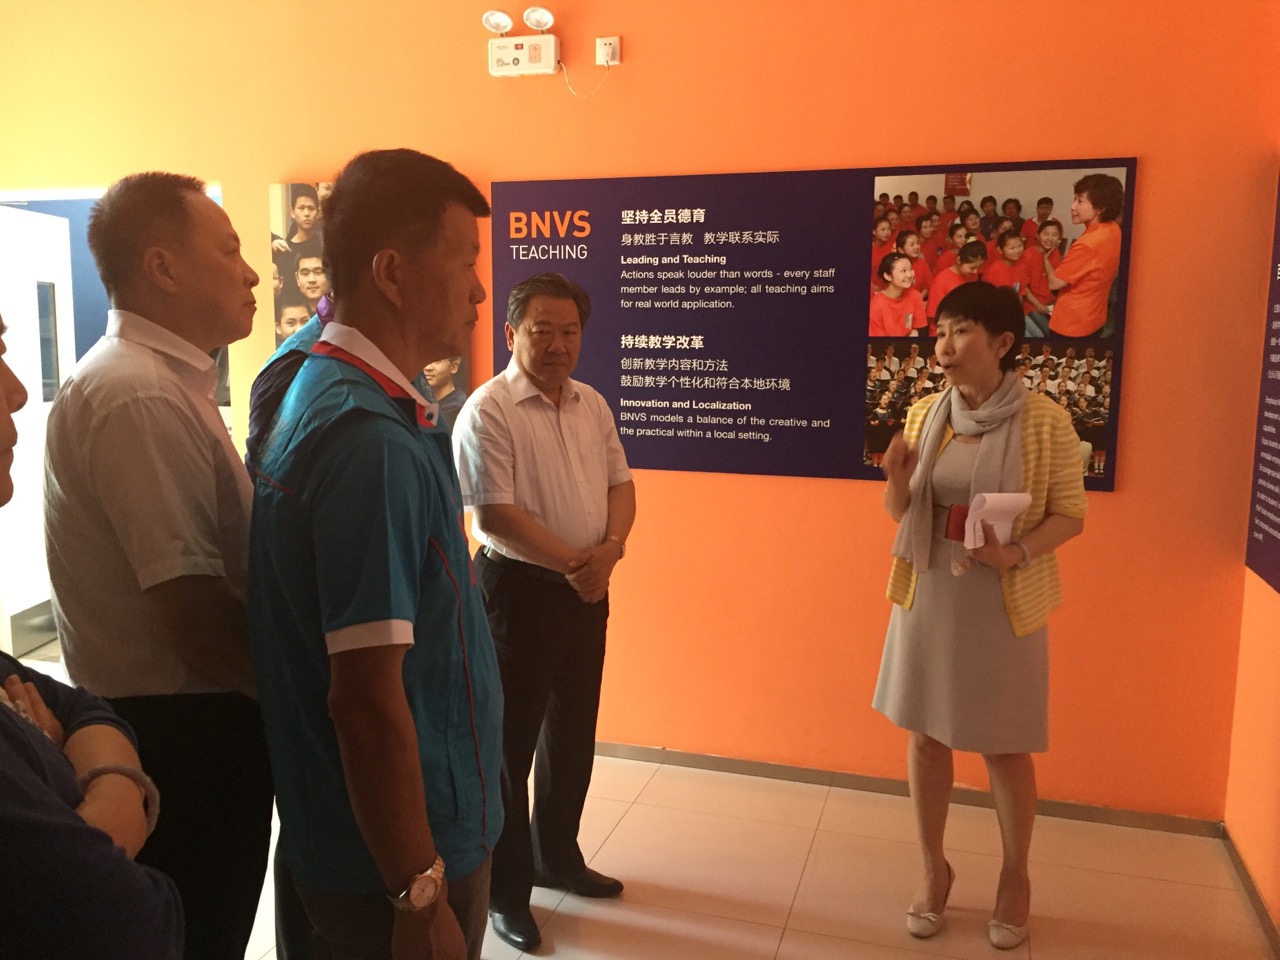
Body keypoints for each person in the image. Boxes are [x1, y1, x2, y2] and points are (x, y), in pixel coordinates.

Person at [247, 148, 501, 960]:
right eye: (465, 261)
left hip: (376, 841)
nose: (478, 290)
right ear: (391, 272)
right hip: (392, 865)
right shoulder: (367, 443)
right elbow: (364, 701)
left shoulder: (348, 400)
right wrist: (418, 894)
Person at [43, 172, 272, 960]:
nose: (251, 272)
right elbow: (192, 614)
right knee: (197, 932)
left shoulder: (166, 382)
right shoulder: (137, 394)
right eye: (230, 250)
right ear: (163, 268)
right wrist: (302, 697)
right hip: (182, 731)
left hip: (192, 720)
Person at [875, 281, 1086, 951]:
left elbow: (1070, 515)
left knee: (1005, 743)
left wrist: (1014, 552)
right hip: (931, 586)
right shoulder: (924, 413)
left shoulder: (1046, 420)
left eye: (961, 330)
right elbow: (903, 512)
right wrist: (896, 479)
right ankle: (932, 869)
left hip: (1001, 595)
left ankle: (1015, 877)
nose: (944, 343)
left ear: (1001, 343)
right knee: (926, 736)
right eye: (940, 330)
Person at [453, 272, 637, 953]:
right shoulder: (489, 410)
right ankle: (506, 894)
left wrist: (610, 551)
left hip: (587, 590)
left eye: (569, 331)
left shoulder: (592, 404)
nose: (558, 344)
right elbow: (494, 516)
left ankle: (558, 856)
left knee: (572, 731)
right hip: (518, 595)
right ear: (511, 334)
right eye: (542, 331)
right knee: (509, 749)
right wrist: (578, 564)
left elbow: (622, 484)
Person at [0, 317, 183, 960]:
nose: (19, 392)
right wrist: (86, 788)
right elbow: (134, 919)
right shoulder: (130, 394)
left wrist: (86, 772)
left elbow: (81, 708)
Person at [1044, 174, 1125, 337]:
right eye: (1074, 199)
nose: (1073, 206)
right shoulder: (1113, 229)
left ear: (1100, 208)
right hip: (1095, 315)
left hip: (1071, 324)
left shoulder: (1087, 244)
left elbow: (1054, 283)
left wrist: (1045, 259)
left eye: (1080, 201)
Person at [927, 240, 986, 335]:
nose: (975, 271)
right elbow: (934, 316)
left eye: (978, 268)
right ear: (959, 260)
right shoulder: (941, 280)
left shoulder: (973, 276)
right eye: (972, 268)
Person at [1022, 219, 1063, 337]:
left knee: (1061, 330)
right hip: (1033, 304)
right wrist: (1038, 305)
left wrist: (1045, 259)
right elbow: (1024, 286)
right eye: (1046, 234)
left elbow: (1055, 281)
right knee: (1047, 334)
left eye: (1054, 235)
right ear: (1038, 235)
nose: (1050, 238)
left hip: (1050, 302)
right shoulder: (1028, 254)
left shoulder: (1055, 253)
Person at [870, 253, 926, 337]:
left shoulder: (915, 296)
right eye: (903, 271)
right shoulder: (876, 305)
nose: (909, 275)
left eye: (911, 269)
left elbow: (915, 328)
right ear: (887, 276)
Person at [424, 356, 466, 429]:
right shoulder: (423, 398)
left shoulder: (457, 406)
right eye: (423, 360)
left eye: (436, 361)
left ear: (453, 367)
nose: (427, 367)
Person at [294, 244, 330, 315]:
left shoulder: (340, 312)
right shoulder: (289, 313)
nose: (312, 280)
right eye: (305, 273)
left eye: (318, 272)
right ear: (297, 278)